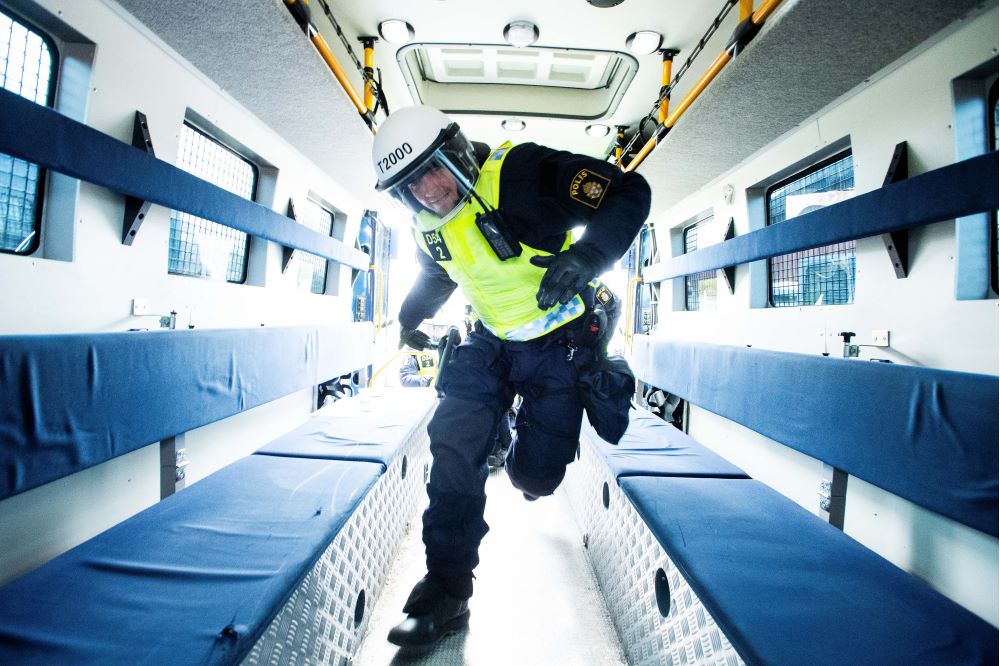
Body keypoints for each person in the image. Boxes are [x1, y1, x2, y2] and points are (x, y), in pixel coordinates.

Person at [372, 105, 650, 650]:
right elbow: (437, 272)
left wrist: (590, 256)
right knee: (454, 443)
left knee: (534, 482)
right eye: (409, 185)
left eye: (430, 170)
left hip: (560, 345)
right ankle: (446, 591)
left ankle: (515, 434)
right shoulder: (427, 227)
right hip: (491, 343)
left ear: (453, 152)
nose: (425, 191)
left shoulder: (525, 172)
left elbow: (629, 192)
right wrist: (408, 318)